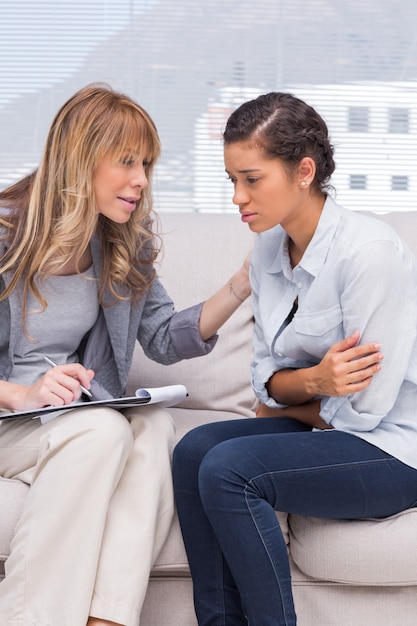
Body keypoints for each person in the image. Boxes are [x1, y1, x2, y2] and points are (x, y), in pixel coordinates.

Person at [0, 83, 251, 626]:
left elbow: (163, 335)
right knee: (103, 430)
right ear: (81, 158)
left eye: (148, 164)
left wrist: (241, 285)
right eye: (127, 161)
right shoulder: (5, 234)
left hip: (62, 417)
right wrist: (23, 393)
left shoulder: (119, 241)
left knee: (155, 426)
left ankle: (106, 620)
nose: (141, 179)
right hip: (8, 414)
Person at [172, 92, 417, 626]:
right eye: (232, 180)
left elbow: (364, 413)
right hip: (329, 432)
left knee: (230, 469)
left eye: (252, 179)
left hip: (396, 449)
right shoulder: (266, 249)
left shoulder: (369, 253)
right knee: (193, 450)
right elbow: (263, 380)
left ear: (303, 170)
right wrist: (316, 379)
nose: (238, 197)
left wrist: (293, 397)